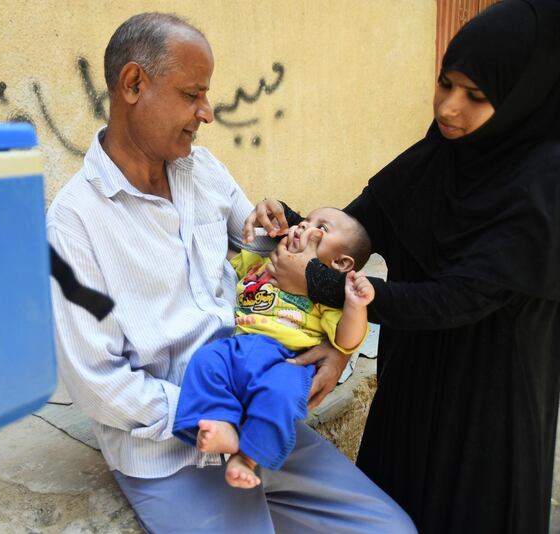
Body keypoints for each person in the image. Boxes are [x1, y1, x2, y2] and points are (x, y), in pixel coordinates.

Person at [47, 12, 415, 533]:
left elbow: (271, 262)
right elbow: (97, 382)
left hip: (263, 410)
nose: (208, 112)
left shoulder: (204, 171)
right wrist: (219, 410)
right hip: (171, 452)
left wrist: (335, 340)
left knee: (389, 529)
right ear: (134, 84)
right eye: (192, 94)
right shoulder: (73, 224)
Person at [243, 1, 560, 532]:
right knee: (395, 507)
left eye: (476, 96)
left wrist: (324, 285)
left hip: (489, 402)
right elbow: (364, 224)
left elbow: (458, 298)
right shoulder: (443, 154)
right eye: (446, 83)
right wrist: (296, 227)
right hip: (412, 376)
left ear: (522, 96)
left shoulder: (543, 182)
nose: (450, 108)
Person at [173, 208, 374, 490]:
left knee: (281, 396)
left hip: (287, 360)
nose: (303, 225)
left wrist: (355, 304)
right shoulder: (260, 265)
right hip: (239, 347)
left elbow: (347, 340)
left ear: (340, 262)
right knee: (205, 361)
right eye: (305, 220)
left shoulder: (325, 297)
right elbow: (221, 254)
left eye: (321, 228)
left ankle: (247, 457)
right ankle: (221, 422)